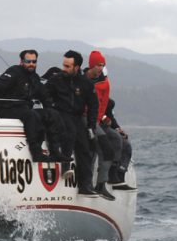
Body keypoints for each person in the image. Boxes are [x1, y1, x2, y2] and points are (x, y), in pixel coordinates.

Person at [0, 49, 65, 162]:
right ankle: (36, 153)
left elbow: (44, 96)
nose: (31, 64)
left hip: (24, 109)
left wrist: (51, 111)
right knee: (32, 115)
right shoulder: (13, 72)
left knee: (52, 114)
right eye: (28, 61)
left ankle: (55, 152)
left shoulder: (34, 78)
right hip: (7, 109)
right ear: (21, 61)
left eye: (34, 61)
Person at [44, 50, 109, 199]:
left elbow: (93, 105)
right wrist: (50, 107)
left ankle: (85, 186)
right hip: (60, 113)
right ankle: (66, 164)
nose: (64, 69)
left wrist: (92, 126)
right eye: (64, 65)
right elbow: (44, 93)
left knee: (85, 146)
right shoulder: (56, 80)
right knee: (70, 132)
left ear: (77, 67)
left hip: (78, 115)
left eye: (68, 66)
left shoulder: (85, 83)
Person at [85, 50, 122, 198]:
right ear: (92, 65)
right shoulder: (83, 79)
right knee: (99, 147)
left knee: (117, 139)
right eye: (98, 65)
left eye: (103, 65)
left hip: (97, 119)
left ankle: (108, 180)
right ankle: (89, 183)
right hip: (84, 118)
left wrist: (103, 119)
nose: (100, 68)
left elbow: (104, 103)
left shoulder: (105, 82)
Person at [103, 98, 134, 190]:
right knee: (116, 139)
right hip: (94, 123)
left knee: (126, 145)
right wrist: (104, 119)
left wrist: (117, 128)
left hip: (104, 125)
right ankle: (111, 173)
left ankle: (120, 175)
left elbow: (110, 116)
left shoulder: (109, 103)